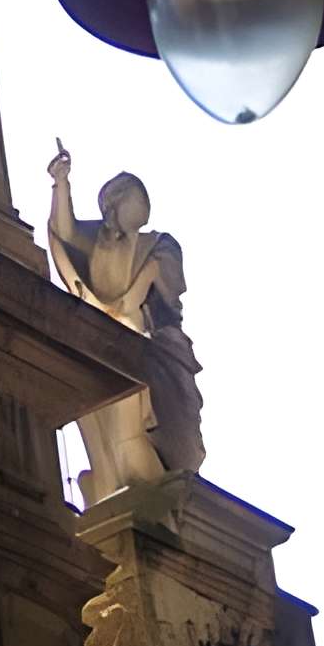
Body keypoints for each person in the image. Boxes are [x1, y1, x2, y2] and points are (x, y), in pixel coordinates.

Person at [47, 145, 205, 501]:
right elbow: (65, 233)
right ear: (115, 203)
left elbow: (157, 292)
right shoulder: (96, 243)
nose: (145, 203)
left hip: (149, 346)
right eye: (138, 196)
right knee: (105, 430)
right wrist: (61, 183)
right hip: (105, 341)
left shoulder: (158, 245)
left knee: (151, 428)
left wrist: (126, 308)